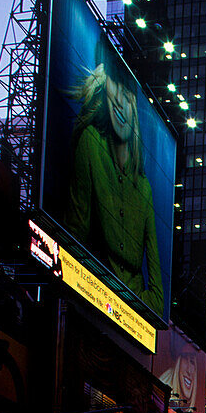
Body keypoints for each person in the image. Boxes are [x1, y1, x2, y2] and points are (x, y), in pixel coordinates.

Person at [65, 40, 163, 316]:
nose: (120, 100)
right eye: (114, 85)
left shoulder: (144, 187)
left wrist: (133, 304)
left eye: (127, 92)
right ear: (105, 88)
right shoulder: (90, 143)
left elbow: (157, 300)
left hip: (130, 317)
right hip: (89, 303)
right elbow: (73, 240)